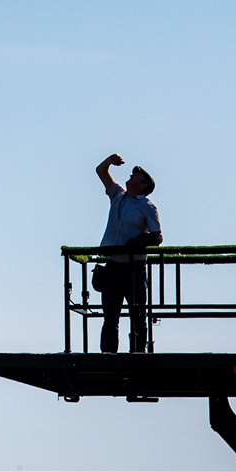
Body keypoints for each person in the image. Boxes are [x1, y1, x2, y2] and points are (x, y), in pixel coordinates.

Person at [94, 152, 161, 354]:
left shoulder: (147, 207)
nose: (131, 177)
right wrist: (109, 161)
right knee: (110, 317)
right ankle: (108, 355)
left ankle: (138, 354)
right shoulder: (117, 195)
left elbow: (157, 237)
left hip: (134, 268)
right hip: (113, 266)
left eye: (135, 177)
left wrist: (139, 241)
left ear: (142, 186)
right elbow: (100, 171)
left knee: (137, 314)